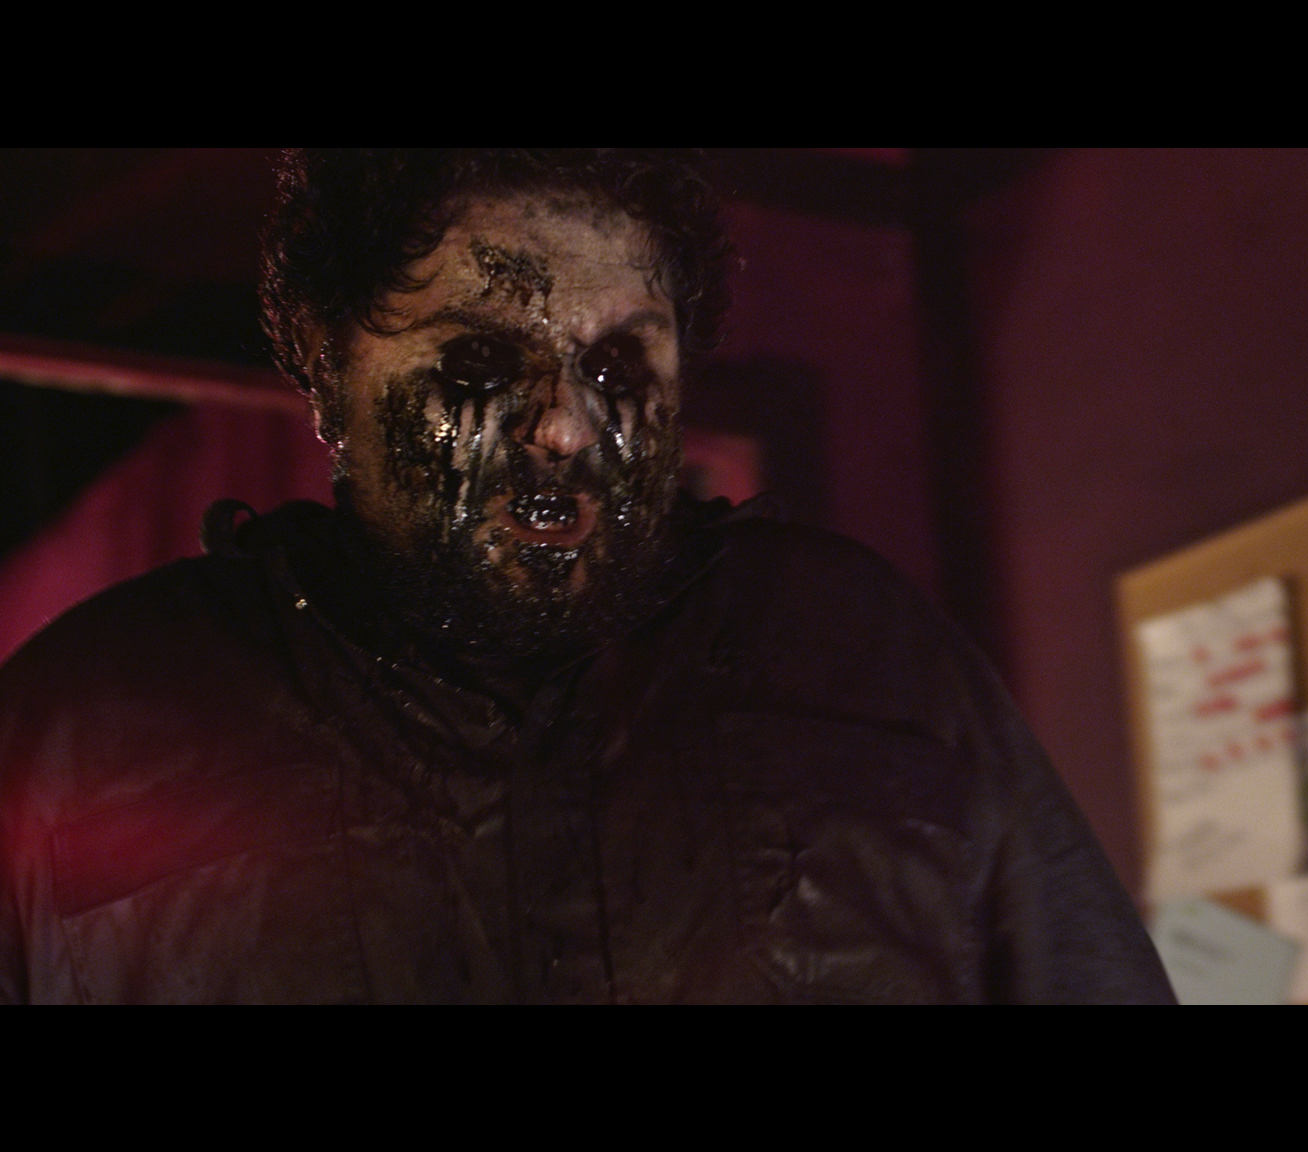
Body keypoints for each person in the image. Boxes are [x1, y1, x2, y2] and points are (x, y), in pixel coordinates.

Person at [0, 149, 1173, 1003]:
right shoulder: (89, 721)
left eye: (618, 365)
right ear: (326, 360)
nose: (564, 425)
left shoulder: (864, 661)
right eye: (478, 358)